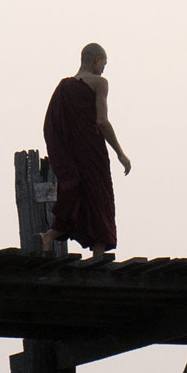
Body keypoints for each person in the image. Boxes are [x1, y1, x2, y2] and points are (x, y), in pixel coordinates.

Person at [40, 43, 130, 257]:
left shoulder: (63, 87)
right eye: (104, 64)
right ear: (97, 60)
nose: (104, 69)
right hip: (92, 152)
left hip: (72, 154)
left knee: (76, 194)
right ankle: (98, 257)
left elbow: (52, 125)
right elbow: (102, 122)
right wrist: (120, 153)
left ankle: (49, 236)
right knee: (99, 199)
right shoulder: (99, 83)